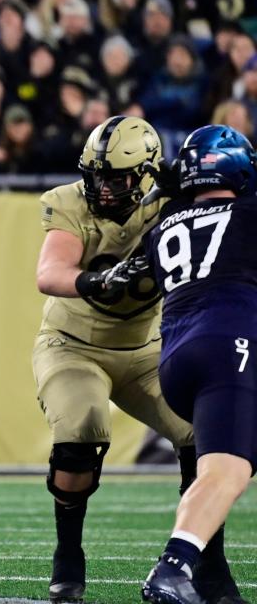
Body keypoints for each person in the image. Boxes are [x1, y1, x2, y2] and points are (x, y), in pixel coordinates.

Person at [33, 115, 241, 604]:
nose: (104, 188)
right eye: (98, 175)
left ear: (148, 173)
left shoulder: (174, 198)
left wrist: (190, 183)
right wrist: (93, 281)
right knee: (82, 429)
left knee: (200, 434)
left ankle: (209, 565)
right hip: (73, 345)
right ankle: (69, 553)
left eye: (119, 178)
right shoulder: (67, 201)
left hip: (147, 349)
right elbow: (50, 272)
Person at [141, 125, 257, 604]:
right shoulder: (249, 213)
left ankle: (203, 576)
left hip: (177, 356)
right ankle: (174, 568)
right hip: (228, 343)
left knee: (229, 464)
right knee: (225, 471)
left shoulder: (165, 225)